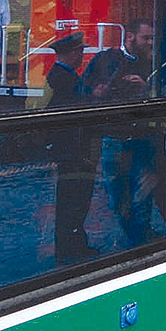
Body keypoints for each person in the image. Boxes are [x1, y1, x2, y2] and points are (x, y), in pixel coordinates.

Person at [83, 20, 163, 247]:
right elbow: (82, 90)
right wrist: (96, 92)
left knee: (142, 197)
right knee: (118, 197)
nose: (150, 43)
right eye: (146, 38)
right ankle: (136, 239)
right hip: (114, 138)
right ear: (130, 37)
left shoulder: (151, 62)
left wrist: (145, 87)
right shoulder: (103, 60)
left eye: (152, 38)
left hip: (142, 138)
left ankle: (140, 240)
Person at [47, 31, 97, 263]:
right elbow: (73, 121)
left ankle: (72, 246)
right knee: (74, 201)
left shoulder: (60, 77)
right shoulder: (65, 80)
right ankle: (71, 250)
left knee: (72, 201)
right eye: (80, 51)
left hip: (68, 151)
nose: (82, 56)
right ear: (73, 52)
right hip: (73, 152)